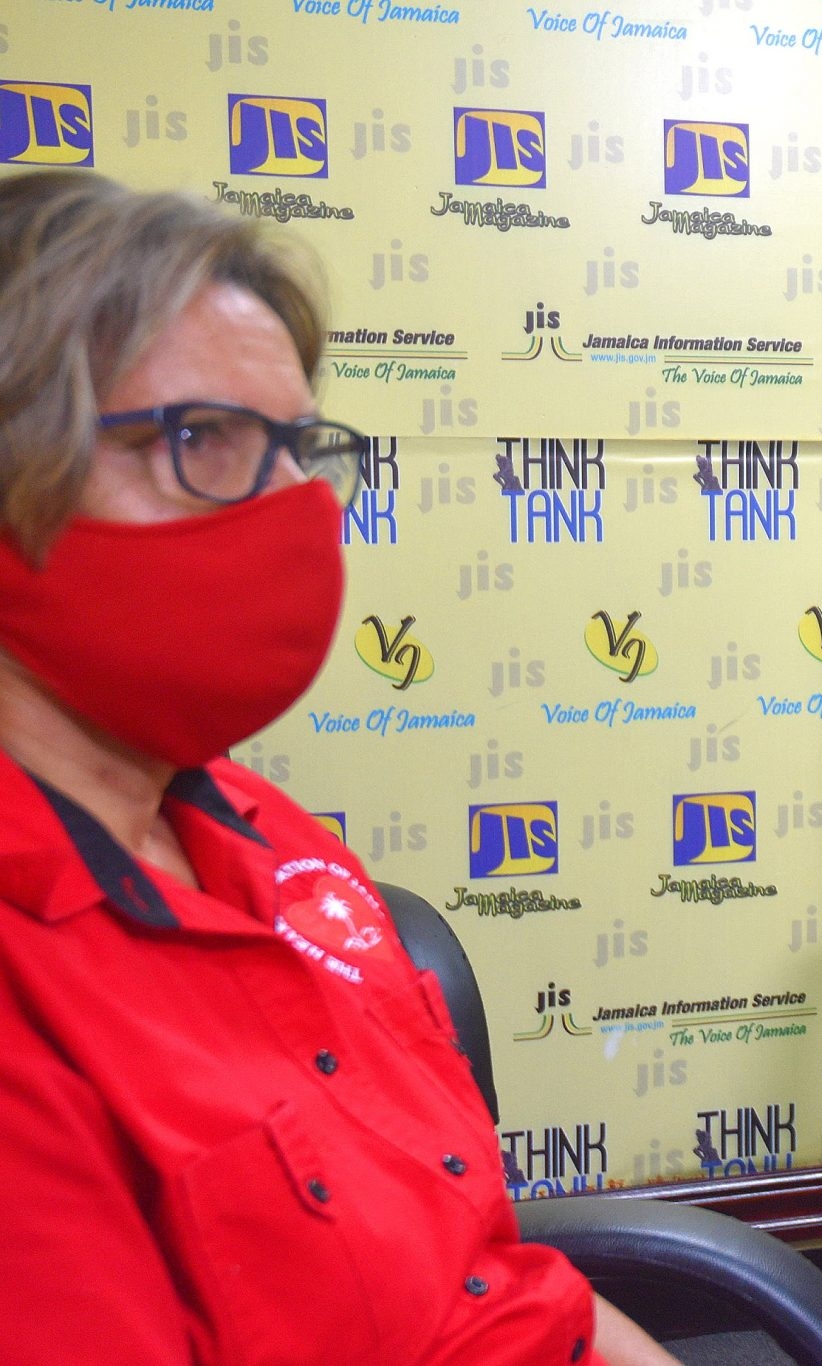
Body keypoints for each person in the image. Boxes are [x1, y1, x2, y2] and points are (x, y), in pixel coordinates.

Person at [0, 170, 674, 1364]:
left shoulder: (262, 832)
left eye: (300, 448)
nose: (295, 508)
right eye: (200, 440)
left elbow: (494, 1273)